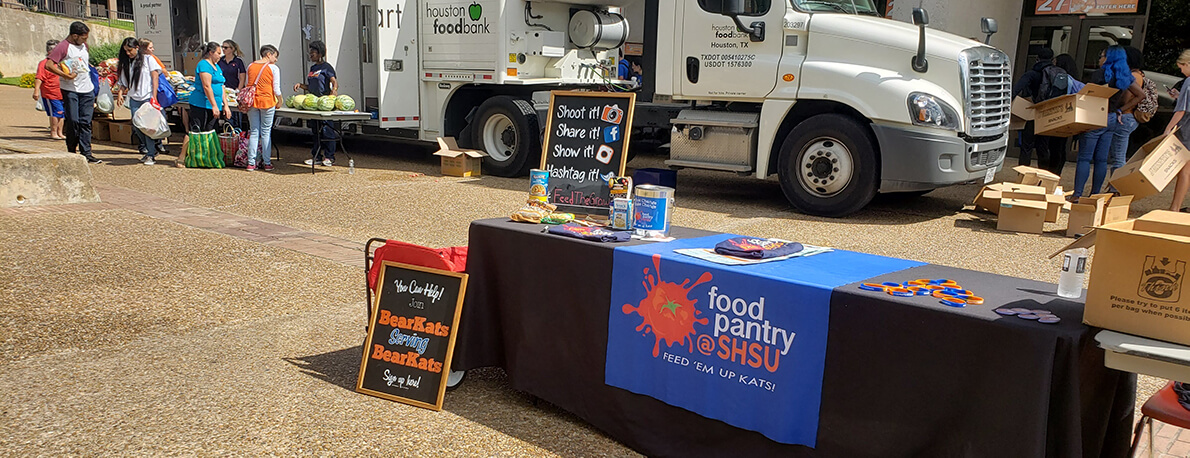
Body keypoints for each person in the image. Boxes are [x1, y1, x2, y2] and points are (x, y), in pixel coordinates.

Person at [1070, 46, 1144, 200]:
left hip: (1094, 117)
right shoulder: (1124, 76)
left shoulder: (1099, 75)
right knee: (1102, 160)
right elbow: (1140, 95)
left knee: (1084, 157)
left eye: (1101, 55)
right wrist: (1120, 110)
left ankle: (1077, 195)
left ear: (1108, 58)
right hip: (1111, 117)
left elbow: (1088, 96)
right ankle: (1095, 194)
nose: (1099, 59)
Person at [44, 22, 100, 163]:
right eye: (83, 38)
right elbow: (49, 64)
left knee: (85, 122)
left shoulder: (84, 46)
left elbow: (83, 62)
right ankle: (71, 150)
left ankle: (86, 152)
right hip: (71, 89)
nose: (85, 41)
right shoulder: (63, 47)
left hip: (87, 89)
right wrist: (65, 75)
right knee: (74, 121)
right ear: (74, 35)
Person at [178, 41, 231, 168]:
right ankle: (181, 158)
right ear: (211, 53)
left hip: (216, 104)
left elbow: (221, 86)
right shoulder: (203, 65)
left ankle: (205, 158)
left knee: (210, 131)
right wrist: (213, 104)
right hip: (201, 103)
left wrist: (225, 105)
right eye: (218, 53)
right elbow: (207, 86)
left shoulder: (216, 67)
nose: (220, 55)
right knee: (195, 130)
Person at [1011, 48, 1064, 173]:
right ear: (1052, 59)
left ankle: (1023, 176)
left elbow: (1015, 90)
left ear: (1037, 58)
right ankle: (1043, 177)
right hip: (1048, 113)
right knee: (1043, 148)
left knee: (1026, 147)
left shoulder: (1031, 74)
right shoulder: (1057, 74)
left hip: (1031, 113)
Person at [114, 37, 164, 165]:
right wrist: (120, 93)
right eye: (125, 51)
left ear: (137, 48)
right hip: (134, 98)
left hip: (147, 97)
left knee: (147, 127)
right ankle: (150, 150)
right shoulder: (127, 63)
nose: (128, 53)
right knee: (137, 127)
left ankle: (151, 154)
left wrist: (154, 96)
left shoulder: (148, 59)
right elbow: (124, 82)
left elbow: (155, 78)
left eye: (130, 50)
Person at [1104, 46, 1147, 180]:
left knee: (1118, 157)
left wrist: (1118, 109)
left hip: (1124, 117)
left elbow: (1127, 98)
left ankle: (1116, 188)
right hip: (1129, 117)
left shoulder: (1131, 76)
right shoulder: (1139, 74)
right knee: (1118, 155)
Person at [293, 40, 338, 166]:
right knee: (315, 131)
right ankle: (317, 156)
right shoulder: (313, 68)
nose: (310, 54)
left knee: (327, 131)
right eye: (310, 52)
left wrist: (333, 92)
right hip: (313, 104)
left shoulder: (326, 67)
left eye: (313, 52)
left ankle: (330, 157)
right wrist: (301, 85)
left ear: (320, 53)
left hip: (324, 104)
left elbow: (334, 81)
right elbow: (311, 86)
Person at [244, 44, 282, 171]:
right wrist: (280, 101)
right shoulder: (273, 68)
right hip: (267, 101)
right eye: (275, 56)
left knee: (254, 131)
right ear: (268, 55)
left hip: (252, 101)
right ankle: (267, 163)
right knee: (266, 132)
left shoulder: (250, 66)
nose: (276, 59)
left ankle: (251, 163)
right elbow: (276, 89)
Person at [1163, 50, 1190, 211]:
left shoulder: (1188, 82)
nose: (1181, 70)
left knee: (1185, 170)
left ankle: (1175, 207)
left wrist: (1168, 128)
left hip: (1187, 128)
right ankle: (1175, 206)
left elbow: (1181, 110)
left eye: (1182, 67)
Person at [33, 39, 65, 140]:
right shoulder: (44, 63)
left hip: (61, 92)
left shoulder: (61, 64)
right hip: (50, 93)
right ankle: (53, 132)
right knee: (56, 113)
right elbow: (39, 77)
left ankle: (60, 132)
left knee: (62, 113)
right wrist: (36, 91)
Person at [217, 40, 247, 127]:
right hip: (224, 91)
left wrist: (238, 90)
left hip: (235, 91)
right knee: (227, 115)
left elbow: (242, 77)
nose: (223, 49)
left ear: (232, 49)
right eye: (222, 47)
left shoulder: (238, 61)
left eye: (225, 47)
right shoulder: (220, 61)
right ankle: (230, 134)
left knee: (237, 115)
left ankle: (238, 133)